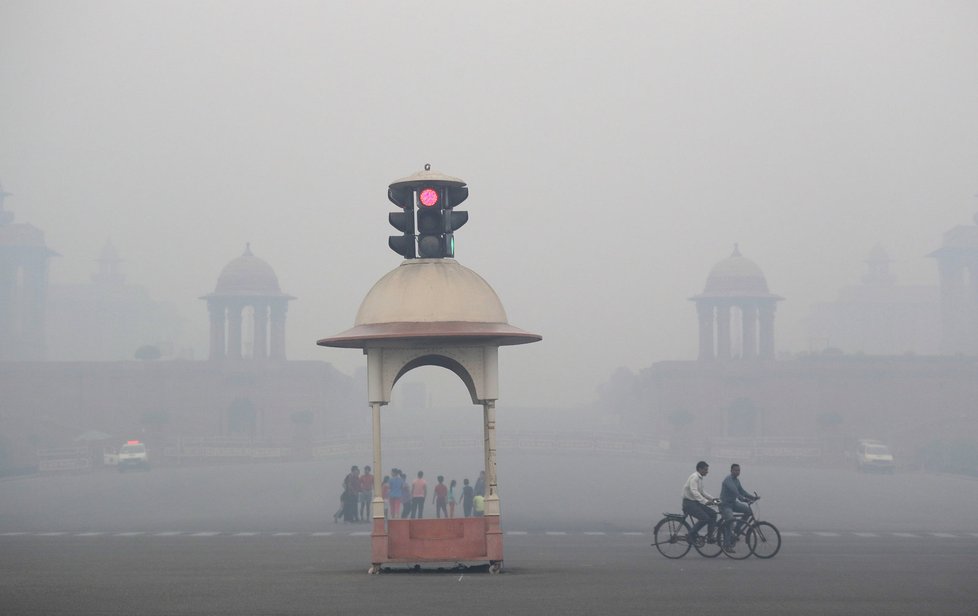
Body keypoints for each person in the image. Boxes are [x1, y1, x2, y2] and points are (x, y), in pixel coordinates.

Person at [720, 463, 757, 550]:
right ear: (731, 471)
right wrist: (743, 499)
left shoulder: (737, 480)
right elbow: (736, 492)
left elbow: (742, 491)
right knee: (730, 521)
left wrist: (752, 497)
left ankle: (737, 528)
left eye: (739, 470)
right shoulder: (728, 480)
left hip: (733, 503)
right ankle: (727, 545)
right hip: (725, 505)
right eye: (736, 470)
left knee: (748, 511)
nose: (737, 472)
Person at [682, 460, 718, 544]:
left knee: (713, 514)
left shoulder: (700, 478)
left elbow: (702, 492)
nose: (707, 472)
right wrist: (705, 502)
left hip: (695, 503)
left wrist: (715, 500)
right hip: (689, 503)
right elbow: (694, 492)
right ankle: (690, 535)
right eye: (705, 470)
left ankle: (710, 536)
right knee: (705, 518)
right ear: (699, 469)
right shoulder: (695, 477)